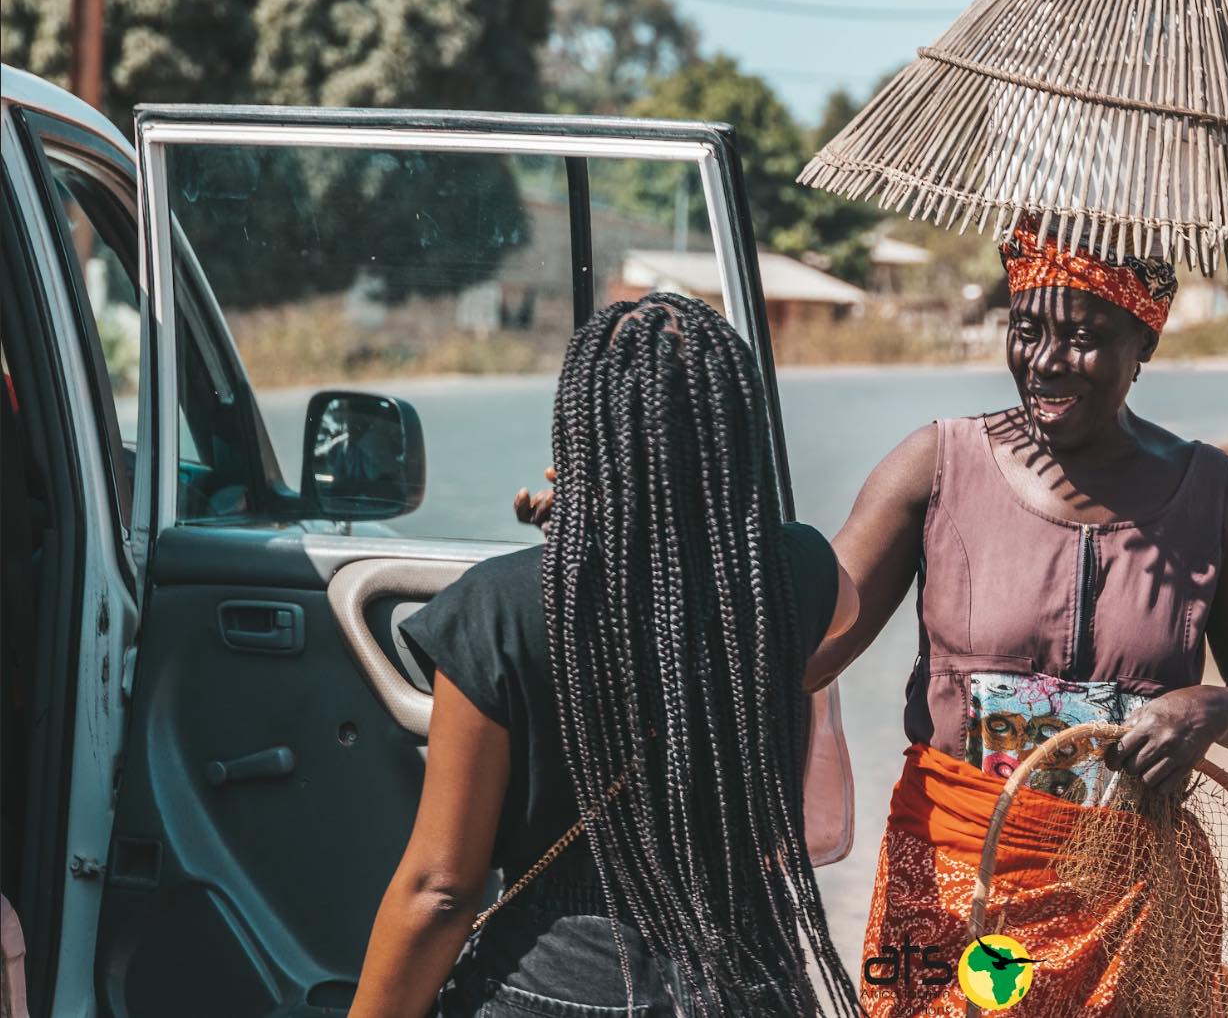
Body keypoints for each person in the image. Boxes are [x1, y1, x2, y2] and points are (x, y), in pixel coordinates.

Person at [810, 220, 1228, 1015]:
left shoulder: (1212, 495)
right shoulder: (938, 466)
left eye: (1083, 338)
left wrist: (1214, 708)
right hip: (954, 883)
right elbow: (807, 646)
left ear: (1143, 343)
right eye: (1026, 329)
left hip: (1129, 904)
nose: (1045, 361)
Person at [350, 297, 860, 1018]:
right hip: (750, 982)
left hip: (556, 990)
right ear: (736, 428)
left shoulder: (500, 606)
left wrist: (593, 533)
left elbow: (442, 890)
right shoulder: (799, 571)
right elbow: (818, 632)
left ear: (581, 431)